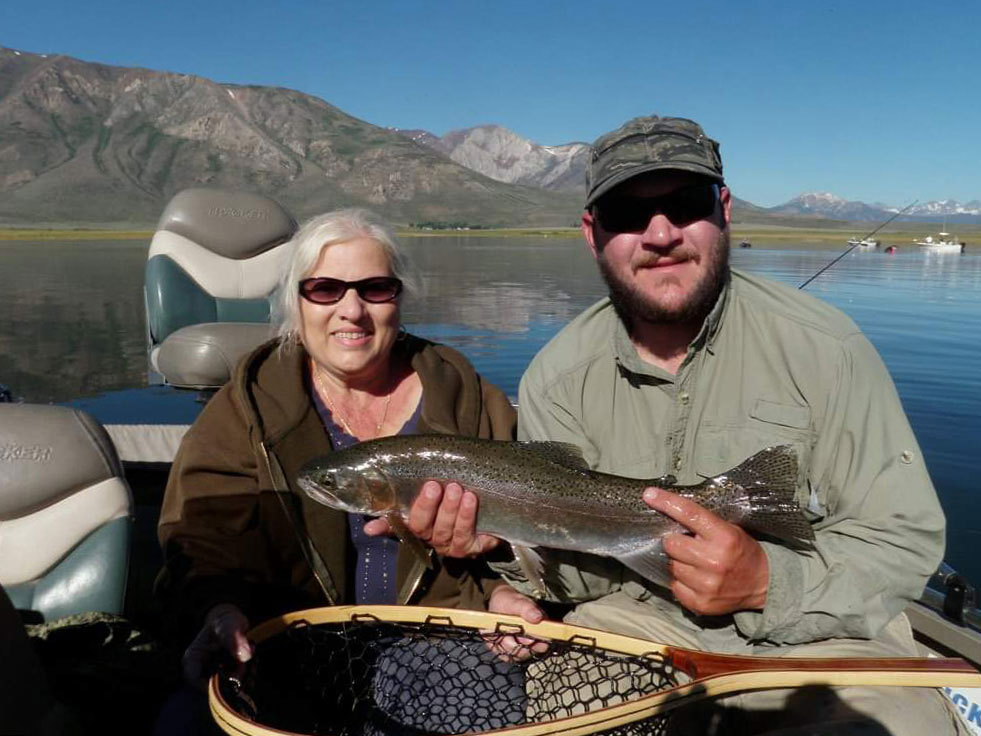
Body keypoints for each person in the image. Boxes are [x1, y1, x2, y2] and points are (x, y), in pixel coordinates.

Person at [403, 116, 967, 735]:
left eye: (685, 203)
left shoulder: (827, 349)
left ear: (723, 210)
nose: (661, 233)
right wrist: (497, 541)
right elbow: (583, 571)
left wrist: (765, 584)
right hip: (633, 624)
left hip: (831, 633)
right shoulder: (555, 377)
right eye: (627, 212)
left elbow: (902, 542)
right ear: (593, 233)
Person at [154, 208, 524, 731]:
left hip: (440, 646)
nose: (352, 310)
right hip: (282, 648)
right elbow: (201, 542)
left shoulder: (471, 400)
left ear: (399, 300)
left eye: (375, 288)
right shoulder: (246, 408)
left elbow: (517, 543)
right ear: (295, 302)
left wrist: (502, 592)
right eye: (325, 289)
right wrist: (219, 609)